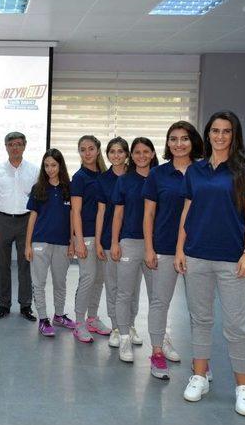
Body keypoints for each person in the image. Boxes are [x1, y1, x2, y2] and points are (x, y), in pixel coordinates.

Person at [175, 111, 245, 416]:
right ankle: (199, 376)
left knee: (237, 326)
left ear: (234, 135)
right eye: (215, 130)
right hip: (197, 254)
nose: (220, 136)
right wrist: (180, 249)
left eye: (226, 131)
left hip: (232, 259)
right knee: (200, 320)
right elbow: (187, 210)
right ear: (208, 134)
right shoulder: (196, 171)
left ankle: (243, 387)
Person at [143, 122, 203, 379]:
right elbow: (148, 214)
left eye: (184, 139)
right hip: (164, 247)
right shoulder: (158, 174)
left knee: (199, 309)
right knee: (159, 302)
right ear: (167, 143)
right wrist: (149, 247)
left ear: (193, 142)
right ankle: (157, 353)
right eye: (173, 139)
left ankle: (201, 363)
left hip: (198, 249)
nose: (179, 144)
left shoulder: (204, 171)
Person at [111, 137, 158, 363]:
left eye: (145, 151)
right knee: (125, 293)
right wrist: (114, 242)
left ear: (152, 153)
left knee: (156, 296)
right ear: (132, 155)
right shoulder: (124, 180)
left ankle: (160, 341)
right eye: (137, 152)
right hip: (129, 242)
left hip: (156, 246)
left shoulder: (160, 177)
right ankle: (124, 336)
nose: (141, 156)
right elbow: (118, 214)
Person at [0, 131, 38, 321]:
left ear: (24, 146)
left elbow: (38, 201)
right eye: (11, 144)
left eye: (18, 144)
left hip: (26, 221)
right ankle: (3, 304)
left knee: (25, 264)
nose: (15, 148)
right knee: (2, 264)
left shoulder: (34, 170)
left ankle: (25, 305)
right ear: (6, 146)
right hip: (2, 220)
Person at [24, 149, 74, 337]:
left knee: (60, 282)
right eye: (46, 165)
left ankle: (59, 316)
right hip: (40, 243)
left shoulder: (69, 188)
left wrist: (72, 242)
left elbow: (72, 217)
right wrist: (28, 245)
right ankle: (43, 319)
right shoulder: (38, 188)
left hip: (62, 243)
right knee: (39, 282)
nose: (50, 169)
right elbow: (32, 217)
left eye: (53, 165)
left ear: (60, 165)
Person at [95, 137, 138, 348]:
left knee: (131, 288)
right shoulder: (103, 179)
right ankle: (116, 327)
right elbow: (101, 212)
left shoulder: (135, 176)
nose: (116, 155)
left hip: (131, 238)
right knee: (112, 286)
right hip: (107, 240)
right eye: (112, 152)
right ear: (107, 155)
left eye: (120, 151)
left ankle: (129, 326)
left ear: (127, 154)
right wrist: (97, 242)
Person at [71, 135, 111, 343]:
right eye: (82, 149)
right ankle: (79, 323)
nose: (87, 153)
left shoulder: (105, 176)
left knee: (99, 279)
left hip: (103, 236)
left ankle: (92, 319)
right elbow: (75, 211)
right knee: (88, 277)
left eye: (90, 148)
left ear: (97, 150)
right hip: (85, 234)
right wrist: (78, 240)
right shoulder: (79, 177)